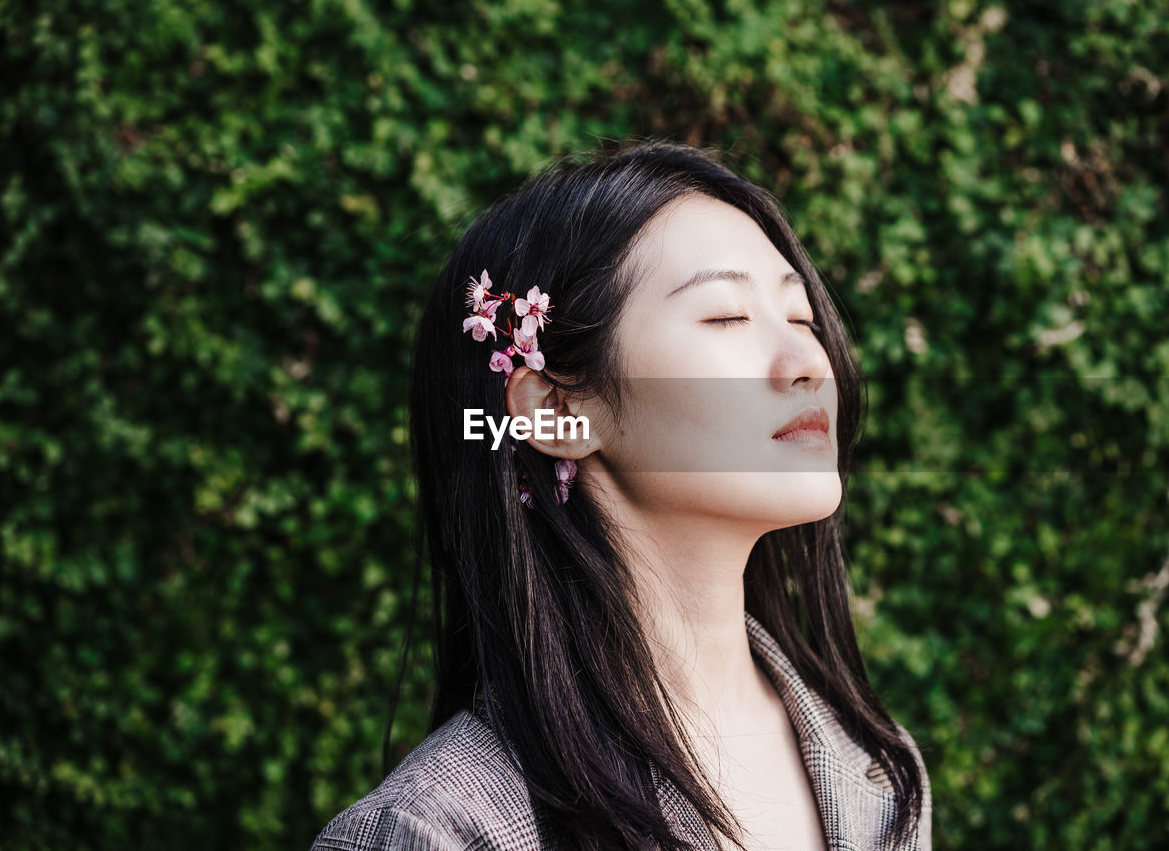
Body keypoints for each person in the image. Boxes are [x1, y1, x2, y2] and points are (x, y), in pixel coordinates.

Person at [310, 141, 931, 850]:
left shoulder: (878, 769)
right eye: (725, 317)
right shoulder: (439, 830)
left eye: (801, 318)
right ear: (555, 411)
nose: (807, 364)